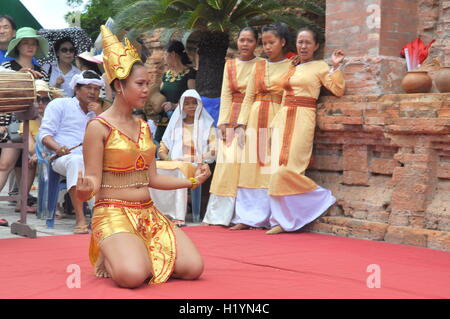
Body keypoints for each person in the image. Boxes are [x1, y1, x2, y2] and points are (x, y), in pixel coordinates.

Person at [76, 25, 210, 288]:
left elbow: (153, 178)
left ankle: (134, 250)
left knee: (194, 267)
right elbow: (92, 180)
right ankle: (112, 251)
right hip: (112, 212)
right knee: (132, 277)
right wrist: (83, 192)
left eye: (148, 83)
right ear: (118, 85)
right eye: (140, 84)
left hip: (147, 212)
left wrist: (192, 181)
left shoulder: (143, 126)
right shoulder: (98, 127)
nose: (147, 89)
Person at [266, 27, 345, 234]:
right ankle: (280, 219)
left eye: (308, 42)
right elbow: (283, 94)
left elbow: (337, 89)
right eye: (300, 42)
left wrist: (335, 67)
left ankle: (320, 198)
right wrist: (275, 121)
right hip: (284, 117)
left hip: (303, 116)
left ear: (316, 46)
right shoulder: (292, 66)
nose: (303, 46)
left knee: (291, 168)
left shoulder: (320, 66)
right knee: (275, 168)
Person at [230, 22, 292, 231]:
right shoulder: (258, 66)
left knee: (269, 167)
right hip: (255, 116)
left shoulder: (291, 66)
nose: (267, 47)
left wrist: (279, 125)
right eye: (264, 43)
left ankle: (270, 217)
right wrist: (241, 124)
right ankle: (246, 217)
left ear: (282, 42)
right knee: (249, 167)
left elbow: (287, 99)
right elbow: (248, 96)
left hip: (276, 116)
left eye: (271, 42)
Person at [202, 27, 262, 226]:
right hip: (232, 116)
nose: (245, 44)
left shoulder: (262, 64)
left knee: (248, 163)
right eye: (242, 40)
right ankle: (220, 215)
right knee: (227, 163)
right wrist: (223, 123)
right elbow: (226, 94)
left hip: (254, 115)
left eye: (249, 40)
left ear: (256, 44)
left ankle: (245, 216)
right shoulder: (230, 65)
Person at [39, 70, 104, 234]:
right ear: (76, 89)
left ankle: (101, 215)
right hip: (63, 158)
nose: (93, 92)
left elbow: (111, 138)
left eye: (96, 89)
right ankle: (81, 218)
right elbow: (45, 135)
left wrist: (100, 116)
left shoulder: (99, 111)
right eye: (89, 88)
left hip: (92, 159)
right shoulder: (60, 104)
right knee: (76, 161)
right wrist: (57, 147)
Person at [154, 89, 216, 226]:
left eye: (194, 103)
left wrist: (192, 159)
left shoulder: (207, 124)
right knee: (153, 169)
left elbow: (213, 151)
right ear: (182, 106)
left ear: (199, 104)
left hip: (196, 163)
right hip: (174, 161)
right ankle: (158, 212)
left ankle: (178, 216)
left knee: (181, 169)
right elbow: (162, 149)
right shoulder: (175, 124)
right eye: (187, 103)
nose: (191, 106)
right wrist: (170, 160)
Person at [154, 40, 196, 144]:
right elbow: (161, 95)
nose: (164, 58)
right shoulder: (166, 75)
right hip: (164, 122)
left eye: (165, 54)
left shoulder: (190, 74)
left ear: (173, 54)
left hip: (181, 121)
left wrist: (174, 105)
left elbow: (193, 99)